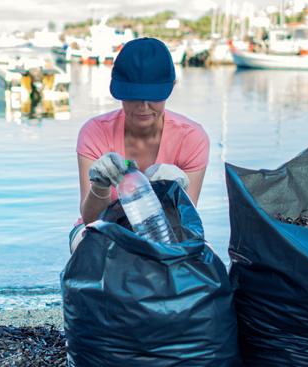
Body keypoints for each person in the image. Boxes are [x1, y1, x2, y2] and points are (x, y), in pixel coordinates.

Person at [70, 38, 211, 252]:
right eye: (134, 96)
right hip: (103, 230)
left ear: (171, 87)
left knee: (203, 253)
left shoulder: (191, 138)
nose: (143, 107)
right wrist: (99, 186)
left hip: (165, 231)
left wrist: (174, 191)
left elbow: (185, 225)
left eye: (153, 97)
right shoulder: (95, 132)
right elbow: (90, 220)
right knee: (85, 244)